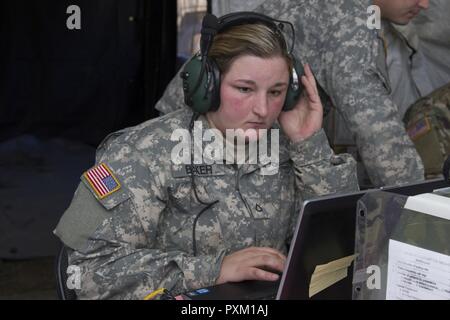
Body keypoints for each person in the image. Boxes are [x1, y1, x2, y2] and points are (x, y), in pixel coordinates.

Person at [54, 12, 359, 299]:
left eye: (276, 92)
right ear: (206, 85)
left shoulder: (289, 146)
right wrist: (213, 269)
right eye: (244, 89)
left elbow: (342, 246)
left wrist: (310, 145)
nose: (263, 110)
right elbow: (84, 271)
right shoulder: (135, 151)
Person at [156, 0, 429, 188]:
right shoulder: (350, 15)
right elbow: (376, 129)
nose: (426, 4)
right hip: (204, 131)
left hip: (190, 127)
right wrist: (419, 208)